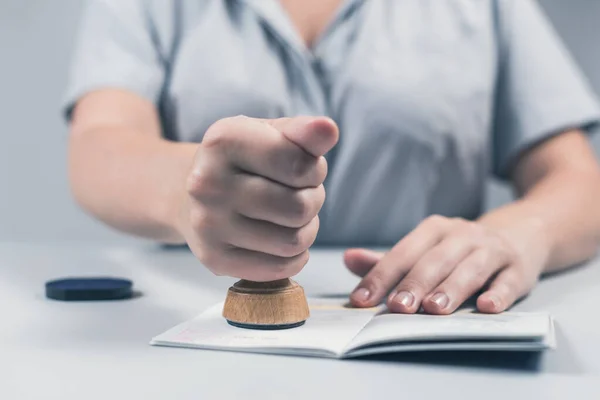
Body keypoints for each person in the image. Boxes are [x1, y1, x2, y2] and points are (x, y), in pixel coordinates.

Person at [63, 0, 600, 315]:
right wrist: (183, 187)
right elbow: (100, 142)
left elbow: (577, 178)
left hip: (424, 323)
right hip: (197, 320)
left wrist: (518, 233)